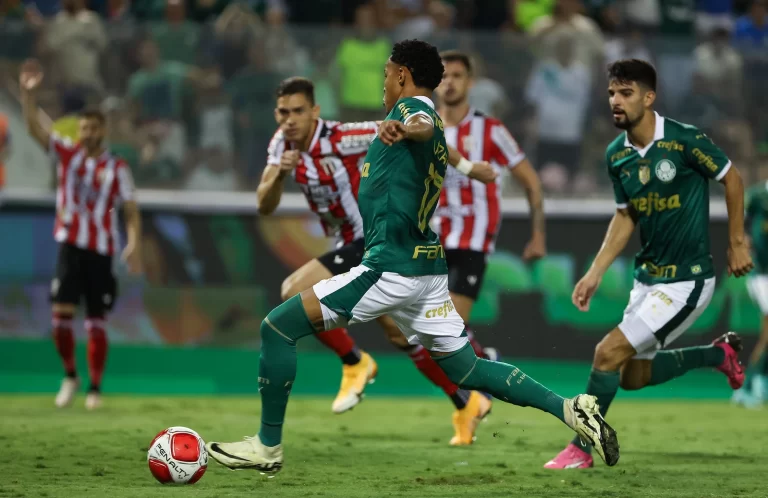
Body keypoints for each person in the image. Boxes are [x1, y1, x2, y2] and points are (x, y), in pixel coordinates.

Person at [205, 39, 619, 474]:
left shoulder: (410, 113)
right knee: (468, 368)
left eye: (386, 73)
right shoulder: (430, 127)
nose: (383, 83)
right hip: (426, 271)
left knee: (277, 327)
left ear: (401, 74)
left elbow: (420, 120)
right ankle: (572, 409)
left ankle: (268, 447)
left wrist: (405, 127)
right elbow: (429, 130)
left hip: (388, 267)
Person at [257, 76, 499, 445]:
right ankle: (465, 400)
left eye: (298, 111)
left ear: (315, 111)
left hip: (371, 237)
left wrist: (467, 168)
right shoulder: (280, 145)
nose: (290, 119)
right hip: (354, 243)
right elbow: (264, 204)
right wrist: (278, 174)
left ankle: (355, 362)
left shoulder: (343, 137)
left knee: (294, 288)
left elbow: (426, 132)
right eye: (283, 112)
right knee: (401, 333)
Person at [544, 59, 752, 469]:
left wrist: (737, 242)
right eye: (610, 94)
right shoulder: (616, 155)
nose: (615, 102)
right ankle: (719, 355)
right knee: (631, 377)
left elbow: (732, 178)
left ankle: (582, 446)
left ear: (648, 97)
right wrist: (595, 271)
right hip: (647, 277)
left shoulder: (684, 141)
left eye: (625, 93)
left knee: (606, 353)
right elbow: (625, 215)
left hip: (687, 281)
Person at [19, 59, 143, 410]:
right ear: (79, 131)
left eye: (93, 128)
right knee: (60, 317)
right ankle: (71, 375)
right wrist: (29, 97)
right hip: (70, 247)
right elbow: (36, 129)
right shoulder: (67, 153)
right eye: (83, 128)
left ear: (102, 131)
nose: (87, 133)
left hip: (102, 250)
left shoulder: (118, 168)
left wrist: (133, 242)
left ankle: (95, 389)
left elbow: (131, 209)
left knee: (95, 322)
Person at [434, 50, 546, 359]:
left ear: (470, 82)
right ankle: (483, 359)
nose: (450, 83)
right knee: (432, 328)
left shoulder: (491, 129)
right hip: (431, 237)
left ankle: (475, 382)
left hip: (473, 237)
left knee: (448, 326)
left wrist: (538, 236)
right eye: (443, 76)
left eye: (457, 76)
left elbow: (531, 181)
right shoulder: (424, 129)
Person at [732, 180, 768, 407]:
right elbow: (740, 224)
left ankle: (758, 383)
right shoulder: (758, 197)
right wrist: (741, 240)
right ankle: (748, 387)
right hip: (762, 275)